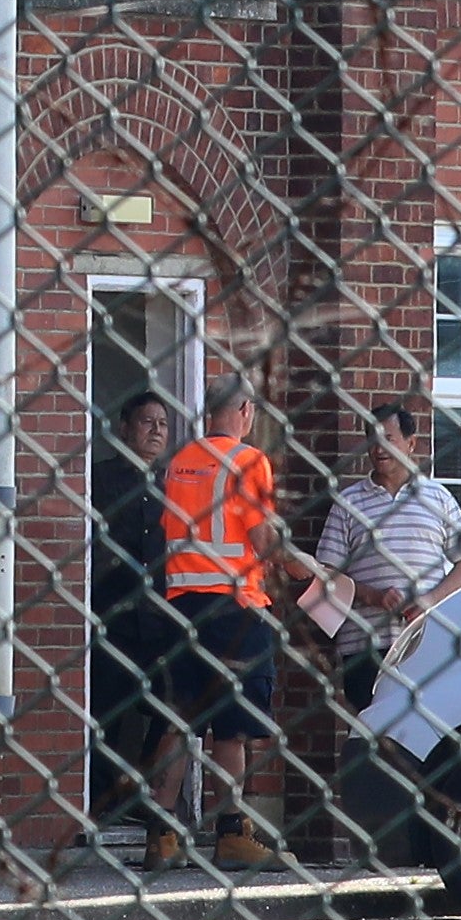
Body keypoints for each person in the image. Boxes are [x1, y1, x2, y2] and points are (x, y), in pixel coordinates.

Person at [161, 369, 301, 867]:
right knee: (232, 729)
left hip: (180, 605)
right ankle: (231, 833)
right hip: (235, 608)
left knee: (180, 721)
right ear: (244, 412)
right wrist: (309, 568)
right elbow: (263, 539)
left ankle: (164, 836)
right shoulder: (248, 460)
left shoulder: (180, 463)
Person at [309, 402, 461, 710]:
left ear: (411, 443)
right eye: (372, 439)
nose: (379, 448)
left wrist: (429, 600)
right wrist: (372, 596)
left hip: (426, 642)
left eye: (389, 438)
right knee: (368, 730)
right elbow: (325, 574)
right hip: (364, 645)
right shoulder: (348, 502)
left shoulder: (438, 498)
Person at [84, 390, 187, 867]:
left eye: (163, 424)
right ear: (125, 428)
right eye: (146, 422)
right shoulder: (101, 479)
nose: (156, 430)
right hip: (114, 615)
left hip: (164, 619)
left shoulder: (176, 485)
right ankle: (102, 803)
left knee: (170, 711)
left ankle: (145, 797)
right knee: (105, 713)